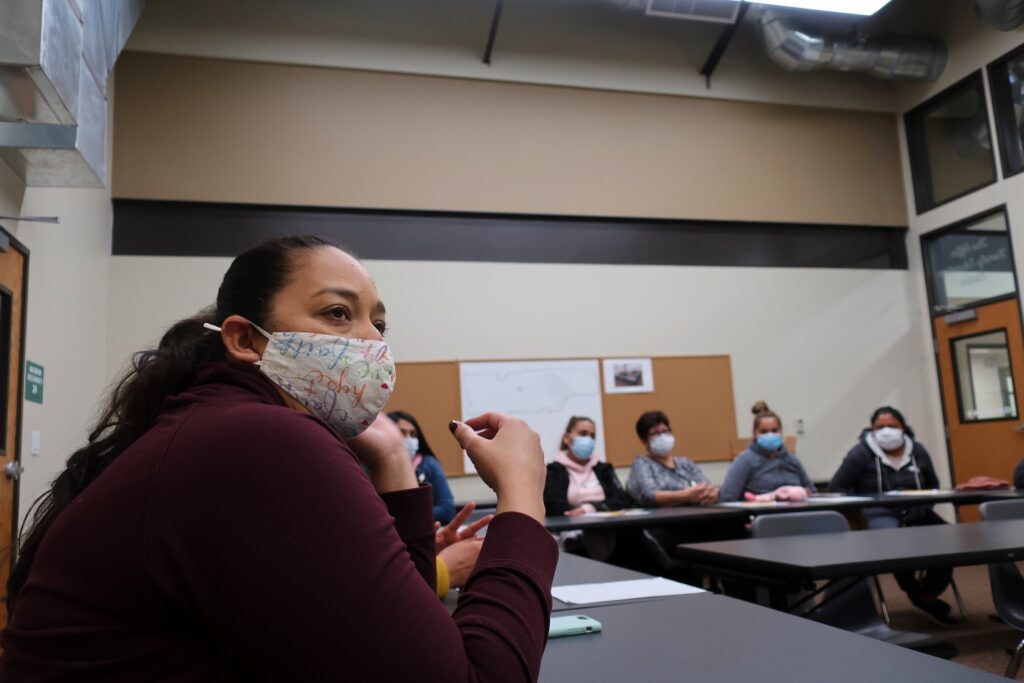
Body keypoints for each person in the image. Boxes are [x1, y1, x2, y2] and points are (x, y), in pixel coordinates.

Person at [0, 236, 556, 681]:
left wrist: (389, 456)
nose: (372, 344)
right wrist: (523, 493)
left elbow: (399, 639)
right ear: (246, 340)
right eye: (339, 314)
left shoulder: (219, 424)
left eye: (379, 325)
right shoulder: (259, 440)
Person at [829, 406, 956, 626]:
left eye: (892, 426)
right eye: (880, 427)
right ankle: (913, 590)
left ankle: (929, 593)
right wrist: (860, 511)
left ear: (903, 428)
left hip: (918, 511)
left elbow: (933, 484)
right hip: (879, 513)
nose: (886, 431)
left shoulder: (917, 450)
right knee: (894, 543)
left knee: (948, 539)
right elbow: (836, 487)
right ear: (872, 429)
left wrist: (925, 506)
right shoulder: (861, 453)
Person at [720, 401, 815, 503]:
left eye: (774, 431)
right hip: (762, 515)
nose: (770, 435)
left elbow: (811, 492)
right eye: (764, 432)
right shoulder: (744, 461)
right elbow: (727, 498)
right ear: (755, 433)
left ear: (781, 431)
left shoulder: (791, 460)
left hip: (797, 513)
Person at [626, 410, 719, 508]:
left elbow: (706, 486)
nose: (662, 436)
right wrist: (687, 495)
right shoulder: (642, 464)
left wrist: (713, 495)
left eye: (665, 431)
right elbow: (651, 496)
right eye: (655, 433)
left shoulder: (685, 463)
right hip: (661, 520)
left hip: (697, 515)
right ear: (644, 441)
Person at [544, 415, 631, 516]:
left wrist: (590, 508)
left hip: (607, 526)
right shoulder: (554, 471)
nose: (588, 439)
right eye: (583, 434)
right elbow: (555, 506)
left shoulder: (603, 469)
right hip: (572, 528)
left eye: (592, 436)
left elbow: (622, 500)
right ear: (567, 439)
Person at [389, 410, 456, 524]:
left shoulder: (429, 464)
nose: (409, 439)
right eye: (402, 433)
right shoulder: (373, 466)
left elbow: (447, 509)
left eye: (413, 434)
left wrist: (408, 517)